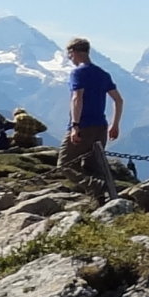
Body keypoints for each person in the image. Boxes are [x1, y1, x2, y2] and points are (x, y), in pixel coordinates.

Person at [57, 37, 122, 199]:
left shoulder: (78, 72)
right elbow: (118, 100)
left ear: (74, 52)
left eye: (69, 55)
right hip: (101, 127)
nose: (69, 58)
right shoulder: (103, 74)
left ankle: (96, 186)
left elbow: (77, 98)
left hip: (83, 126)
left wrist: (75, 125)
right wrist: (114, 125)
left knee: (64, 165)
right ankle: (102, 200)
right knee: (93, 166)